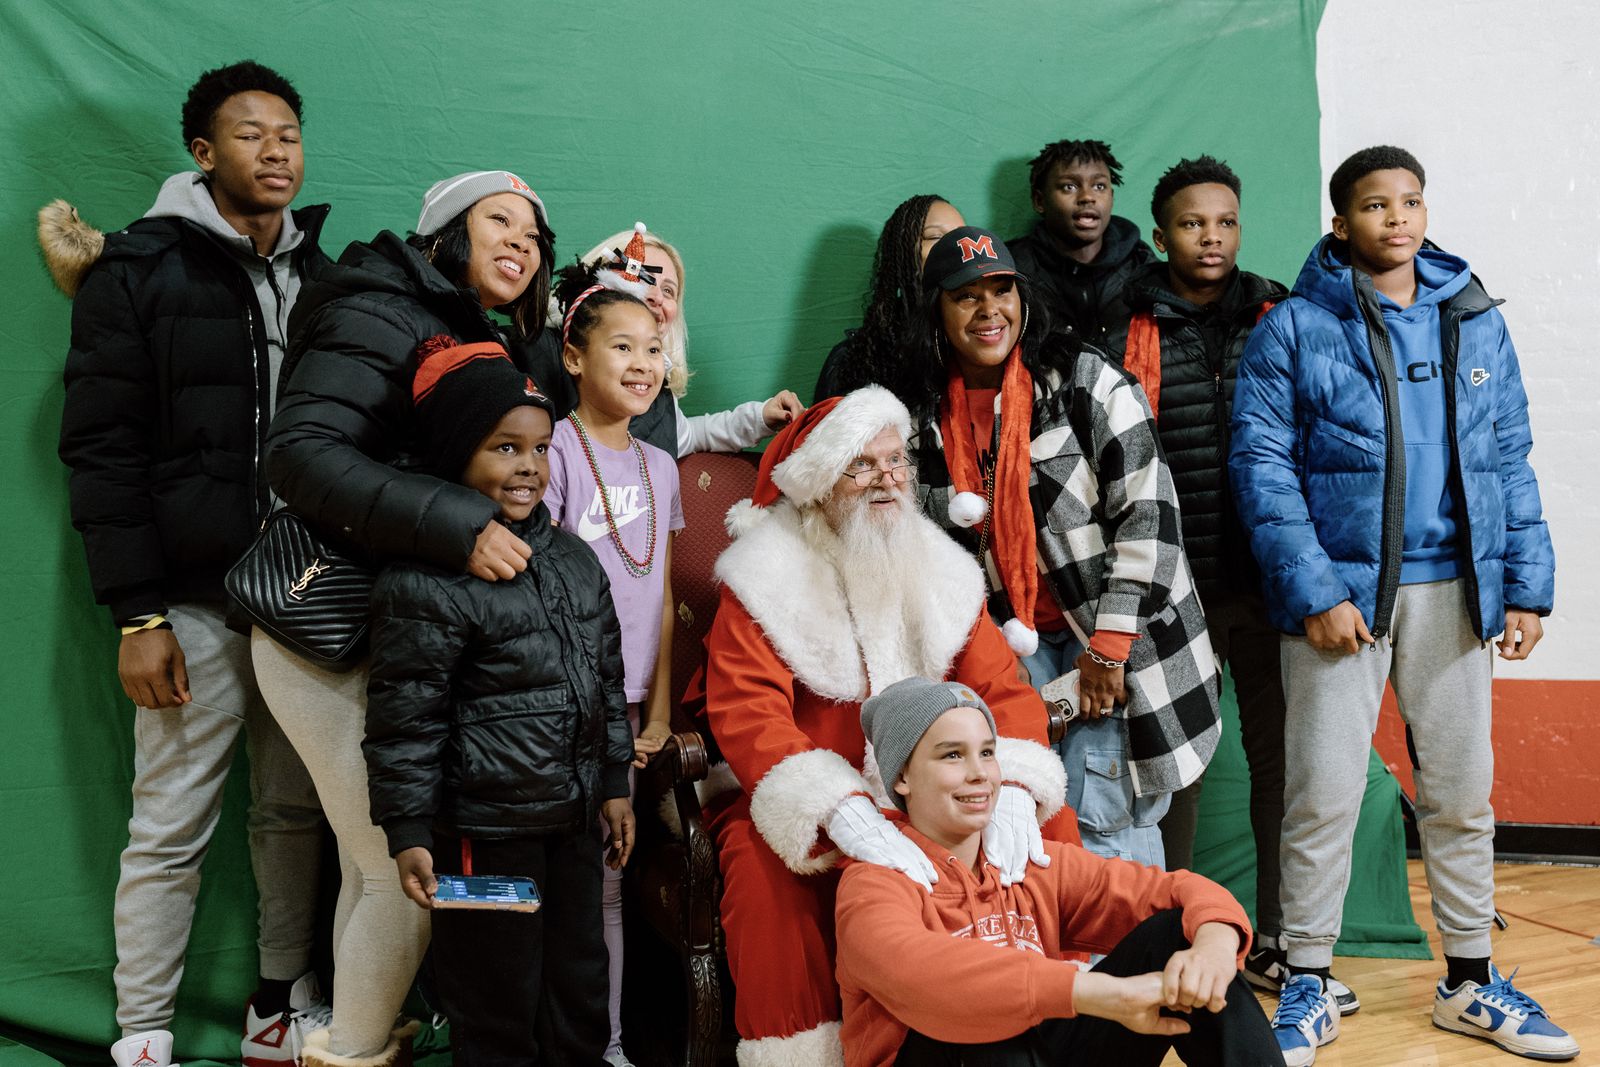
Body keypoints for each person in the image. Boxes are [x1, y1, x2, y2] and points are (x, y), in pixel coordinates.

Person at [1231, 145, 1574, 1064]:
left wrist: (1526, 584)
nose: (1397, 218)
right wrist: (1317, 590)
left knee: (1462, 796)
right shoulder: (1295, 328)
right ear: (1340, 223)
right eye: (1375, 205)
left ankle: (1470, 979)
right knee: (1325, 794)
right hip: (1343, 603)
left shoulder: (1473, 318)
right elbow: (1261, 469)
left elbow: (1510, 455)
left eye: (1410, 201)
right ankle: (1307, 978)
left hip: (1458, 594)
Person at [49, 60, 329, 1067]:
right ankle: (142, 1034)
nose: (275, 150)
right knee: (169, 824)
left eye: (289, 132)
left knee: (294, 814)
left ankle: (273, 1006)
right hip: (191, 602)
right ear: (203, 153)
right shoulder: (136, 273)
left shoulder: (323, 276)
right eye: (250, 134)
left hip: (303, 601)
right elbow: (101, 449)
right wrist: (137, 613)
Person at [257, 168, 556, 1066]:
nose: (520, 242)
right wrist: (464, 525)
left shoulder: (465, 327)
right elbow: (301, 454)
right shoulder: (381, 309)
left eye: (535, 236)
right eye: (497, 221)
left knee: (366, 864)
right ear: (444, 234)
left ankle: (352, 1028)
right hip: (326, 626)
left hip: (383, 627)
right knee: (402, 868)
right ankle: (347, 1050)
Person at [688, 385, 1071, 1064]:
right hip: (810, 783)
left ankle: (1059, 1019)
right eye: (861, 465)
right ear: (818, 484)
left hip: (932, 783)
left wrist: (1008, 782)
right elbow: (749, 715)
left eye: (895, 461)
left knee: (1043, 826)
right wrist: (838, 807)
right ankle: (804, 1052)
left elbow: (1003, 691)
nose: (886, 479)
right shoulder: (761, 576)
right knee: (759, 858)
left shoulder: (936, 561)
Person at [901, 226, 1219, 867]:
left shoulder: (1084, 381)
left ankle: (1128, 968)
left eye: (1002, 290)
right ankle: (1062, 971)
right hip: (1009, 647)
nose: (990, 310)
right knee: (1025, 821)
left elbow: (1150, 517)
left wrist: (1108, 650)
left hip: (1114, 634)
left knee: (1105, 822)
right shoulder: (921, 416)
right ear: (935, 309)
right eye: (967, 297)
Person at [362, 338, 634, 1064]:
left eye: (541, 449)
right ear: (456, 452)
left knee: (578, 985)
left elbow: (606, 680)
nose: (529, 467)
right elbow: (404, 715)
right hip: (484, 837)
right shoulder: (428, 576)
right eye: (505, 448)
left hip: (573, 826)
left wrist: (614, 784)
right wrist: (409, 824)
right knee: (494, 995)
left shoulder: (574, 560)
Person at [835, 676, 1282, 1067]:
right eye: (952, 756)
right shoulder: (873, 881)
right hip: (948, 1054)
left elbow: (1175, 890)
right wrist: (1093, 992)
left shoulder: (1026, 862)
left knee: (1179, 935)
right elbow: (922, 977)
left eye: (987, 752)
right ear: (902, 778)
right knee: (983, 1019)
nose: (980, 774)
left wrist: (1216, 946)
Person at [1117, 155, 1319, 997]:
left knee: (1283, 765)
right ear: (1162, 235)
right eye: (1194, 224)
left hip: (1271, 585)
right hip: (1178, 588)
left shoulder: (1282, 313)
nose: (1212, 236)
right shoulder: (1129, 324)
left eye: (1226, 221)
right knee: (1181, 768)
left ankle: (1279, 934)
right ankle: (1179, 931)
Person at [541, 251, 685, 1067]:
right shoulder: (553, 452)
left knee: (610, 882)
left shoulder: (662, 467)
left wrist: (659, 711)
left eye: (654, 348)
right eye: (622, 346)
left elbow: (663, 596)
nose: (642, 363)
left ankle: (613, 1046)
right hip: (566, 705)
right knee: (556, 877)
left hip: (631, 709)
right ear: (574, 355)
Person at [524, 223, 802, 456]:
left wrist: (759, 417)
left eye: (669, 291)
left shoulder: (657, 393)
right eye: (644, 278)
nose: (657, 297)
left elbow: (686, 435)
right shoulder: (539, 355)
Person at [1007, 138, 1156, 353]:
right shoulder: (1013, 269)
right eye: (1069, 186)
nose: (1087, 197)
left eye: (1099, 186)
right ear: (1039, 201)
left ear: (1111, 197)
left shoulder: (1142, 265)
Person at [813, 193, 965, 400]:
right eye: (935, 237)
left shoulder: (986, 338)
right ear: (904, 254)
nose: (954, 246)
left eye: (961, 237)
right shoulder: (853, 360)